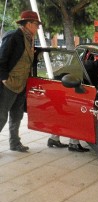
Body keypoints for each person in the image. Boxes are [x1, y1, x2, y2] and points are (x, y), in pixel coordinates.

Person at [0, 10, 42, 152]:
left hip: (21, 84)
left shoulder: (29, 38)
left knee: (16, 116)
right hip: (8, 84)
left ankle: (14, 143)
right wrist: (4, 78)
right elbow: (2, 59)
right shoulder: (13, 36)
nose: (38, 28)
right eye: (36, 25)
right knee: (1, 117)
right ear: (29, 24)